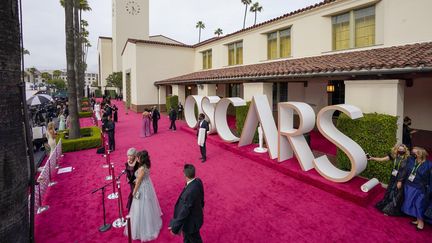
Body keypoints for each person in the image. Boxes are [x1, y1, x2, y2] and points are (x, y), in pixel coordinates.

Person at [125, 150, 162, 241]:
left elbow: (138, 182)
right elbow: (140, 178)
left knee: (140, 207)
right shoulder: (146, 165)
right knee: (148, 205)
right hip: (148, 185)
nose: (137, 158)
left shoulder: (141, 168)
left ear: (142, 158)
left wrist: (134, 191)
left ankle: (143, 228)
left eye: (138, 157)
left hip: (142, 188)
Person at [369, 144, 410, 216]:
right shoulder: (394, 156)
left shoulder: (408, 159)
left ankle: (390, 210)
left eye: (402, 150)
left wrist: (400, 181)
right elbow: (382, 159)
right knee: (389, 191)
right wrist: (372, 158)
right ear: (396, 150)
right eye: (399, 149)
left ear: (405, 150)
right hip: (393, 177)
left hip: (401, 178)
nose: (401, 151)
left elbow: (406, 171)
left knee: (396, 193)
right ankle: (386, 207)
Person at [169, 164, 205, 243]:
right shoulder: (198, 181)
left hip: (191, 224)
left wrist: (174, 228)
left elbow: (184, 212)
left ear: (185, 175)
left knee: (195, 240)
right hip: (194, 218)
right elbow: (202, 197)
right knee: (186, 239)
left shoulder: (189, 193)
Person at [401, 147, 431, 230]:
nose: (413, 154)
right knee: (412, 203)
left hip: (420, 188)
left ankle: (421, 222)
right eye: (413, 152)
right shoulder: (412, 160)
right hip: (409, 186)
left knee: (419, 204)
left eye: (415, 153)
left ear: (421, 154)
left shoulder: (428, 164)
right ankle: (418, 220)